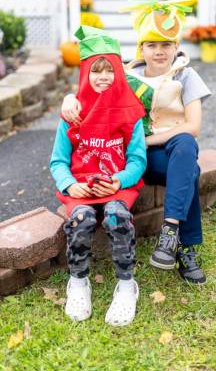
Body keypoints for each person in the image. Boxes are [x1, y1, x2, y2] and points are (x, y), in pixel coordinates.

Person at [61, 0, 211, 284]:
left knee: (186, 145)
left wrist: (150, 138)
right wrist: (69, 98)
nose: (159, 51)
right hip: (135, 158)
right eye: (152, 44)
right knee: (190, 171)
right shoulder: (127, 77)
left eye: (166, 44)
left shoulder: (187, 76)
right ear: (141, 47)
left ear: (176, 46)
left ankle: (170, 235)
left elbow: (192, 126)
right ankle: (186, 247)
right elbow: (91, 90)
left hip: (171, 150)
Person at [50, 26, 146, 326]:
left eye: (109, 70)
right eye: (96, 70)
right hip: (80, 186)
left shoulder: (130, 113)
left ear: (119, 72)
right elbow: (58, 162)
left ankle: (127, 285)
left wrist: (120, 180)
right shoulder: (73, 114)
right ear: (84, 73)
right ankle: (78, 281)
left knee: (117, 216)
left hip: (116, 186)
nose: (103, 76)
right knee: (82, 219)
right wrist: (70, 185)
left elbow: (138, 159)